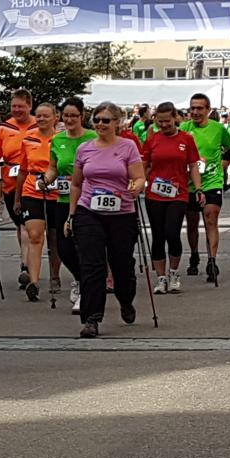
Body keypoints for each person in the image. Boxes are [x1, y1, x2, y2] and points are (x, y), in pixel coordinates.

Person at [67, 102, 145, 339]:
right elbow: (76, 183)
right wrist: (72, 214)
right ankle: (91, 318)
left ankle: (126, 299)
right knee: (92, 265)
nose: (100, 124)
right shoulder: (84, 149)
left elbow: (139, 177)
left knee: (122, 265)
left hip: (122, 213)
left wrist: (136, 187)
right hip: (89, 211)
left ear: (117, 123)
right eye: (97, 120)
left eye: (106, 120)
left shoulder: (127, 146)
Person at [181, 93, 230, 283]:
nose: (195, 112)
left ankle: (212, 260)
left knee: (211, 218)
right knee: (192, 222)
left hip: (212, 181)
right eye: (192, 108)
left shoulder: (218, 129)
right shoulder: (184, 129)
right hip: (189, 183)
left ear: (208, 110)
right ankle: (194, 254)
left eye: (199, 108)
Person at [142, 102, 203, 295]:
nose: (164, 125)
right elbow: (144, 164)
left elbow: (193, 165)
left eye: (167, 121)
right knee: (158, 235)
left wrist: (198, 188)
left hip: (178, 193)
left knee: (172, 233)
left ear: (175, 118)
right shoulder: (152, 139)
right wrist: (139, 182)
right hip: (154, 194)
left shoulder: (186, 139)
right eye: (160, 121)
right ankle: (161, 277)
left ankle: (174, 272)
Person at [42, 99, 97, 314]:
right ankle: (81, 279)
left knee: (84, 246)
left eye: (74, 115)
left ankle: (86, 289)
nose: (70, 119)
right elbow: (53, 167)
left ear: (82, 116)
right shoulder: (57, 140)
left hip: (88, 201)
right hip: (63, 200)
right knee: (63, 248)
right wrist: (46, 179)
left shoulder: (92, 138)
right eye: (66, 115)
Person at [0, 89, 38, 280]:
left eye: (21, 106)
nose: (17, 110)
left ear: (30, 106)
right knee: (20, 224)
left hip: (33, 181)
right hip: (11, 182)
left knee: (28, 224)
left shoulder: (39, 125)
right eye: (14, 106)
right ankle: (25, 258)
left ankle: (27, 265)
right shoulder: (4, 128)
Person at [15, 102, 58, 302]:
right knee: (34, 235)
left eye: (45, 116)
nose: (41, 119)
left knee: (55, 238)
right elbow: (23, 170)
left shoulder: (61, 139)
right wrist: (17, 198)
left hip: (56, 191)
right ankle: (34, 281)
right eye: (38, 115)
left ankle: (55, 276)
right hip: (32, 190)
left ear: (55, 118)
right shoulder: (28, 139)